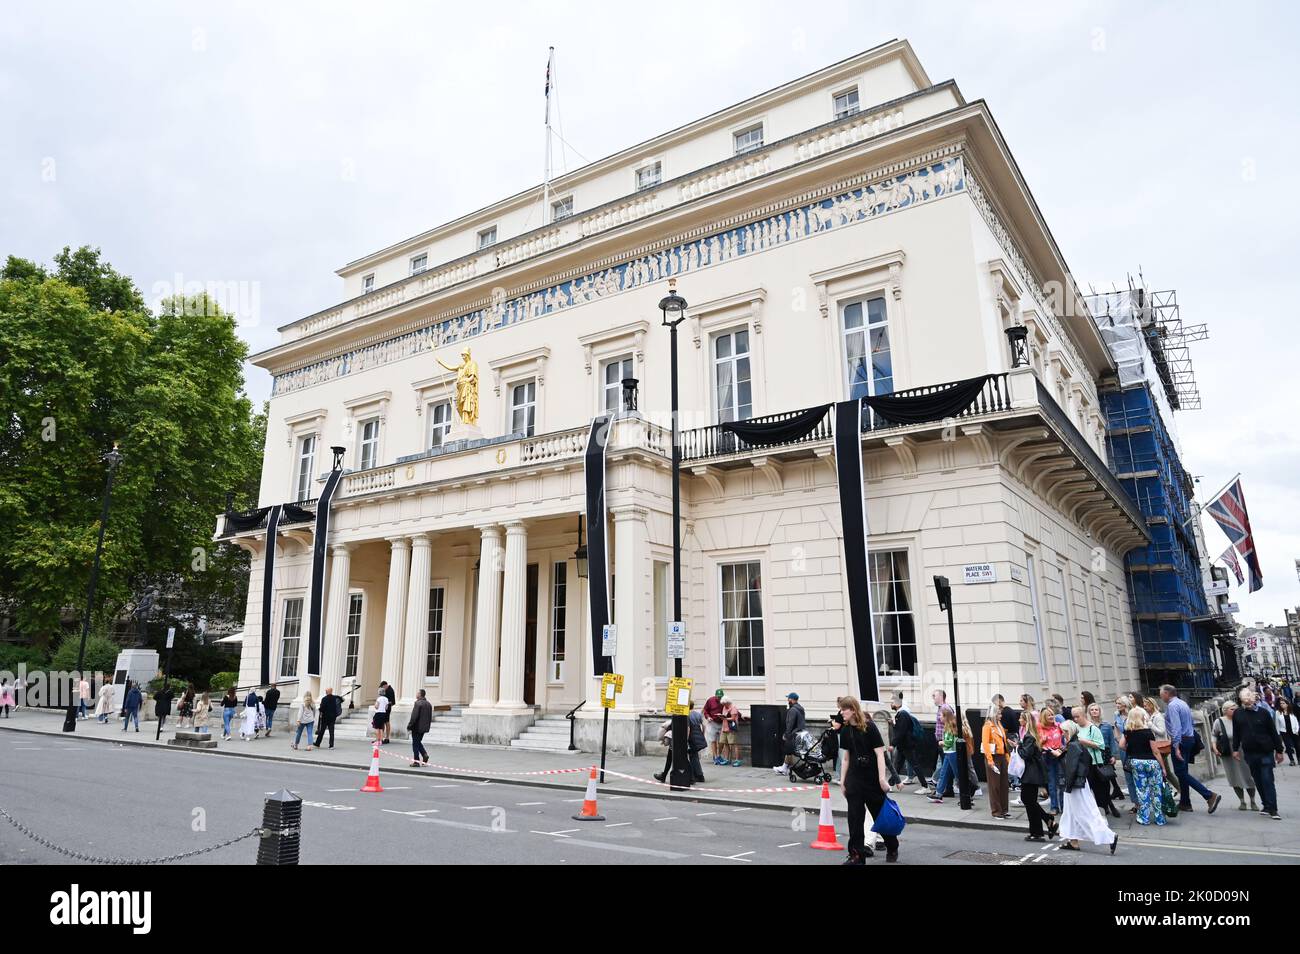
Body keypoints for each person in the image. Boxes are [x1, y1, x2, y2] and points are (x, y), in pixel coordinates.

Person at [835, 695, 898, 864]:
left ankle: (892, 845)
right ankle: (857, 855)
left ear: (853, 710)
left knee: (879, 816)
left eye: (843, 709)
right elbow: (846, 758)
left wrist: (882, 779)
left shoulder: (870, 727)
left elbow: (879, 753)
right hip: (854, 778)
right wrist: (842, 781)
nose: (841, 713)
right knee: (855, 818)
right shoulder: (846, 730)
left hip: (871, 779)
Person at [1057, 722, 1118, 854]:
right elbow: (1087, 761)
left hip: (1074, 785)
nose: (1063, 734)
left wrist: (1060, 757)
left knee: (1084, 813)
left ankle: (1110, 837)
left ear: (1069, 732)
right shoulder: (1078, 744)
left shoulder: (1073, 746)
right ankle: (1073, 842)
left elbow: (1071, 768)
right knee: (1071, 814)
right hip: (1079, 784)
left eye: (1064, 732)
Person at [1161, 684, 1221, 814]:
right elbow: (1190, 722)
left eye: (1162, 693)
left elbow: (1176, 728)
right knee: (1183, 772)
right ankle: (1185, 803)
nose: (1161, 695)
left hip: (1181, 740)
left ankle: (1209, 795)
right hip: (1189, 738)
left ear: (1167, 693)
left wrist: (1176, 746)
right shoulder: (1182, 703)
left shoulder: (1172, 706)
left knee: (1181, 772)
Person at [1232, 687, 1284, 820]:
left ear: (1253, 699)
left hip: (1265, 751)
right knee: (1258, 780)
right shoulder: (1238, 714)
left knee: (1267, 779)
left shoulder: (1264, 713)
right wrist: (1235, 749)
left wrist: (1279, 751)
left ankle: (1273, 809)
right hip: (1250, 752)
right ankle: (1266, 805)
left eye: (1248, 698)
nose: (1247, 702)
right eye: (1244, 700)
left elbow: (1273, 732)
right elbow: (1236, 732)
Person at [1121, 707, 1165, 826]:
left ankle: (1144, 818)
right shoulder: (1148, 732)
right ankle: (1159, 818)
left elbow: (1121, 745)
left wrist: (1130, 748)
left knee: (1142, 791)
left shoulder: (1128, 732)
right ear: (1142, 717)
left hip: (1136, 762)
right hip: (1151, 762)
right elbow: (1155, 751)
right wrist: (1163, 767)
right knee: (1156, 790)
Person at [1017, 711, 1057, 842]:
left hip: (1031, 773)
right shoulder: (1031, 735)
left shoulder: (1029, 736)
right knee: (1030, 801)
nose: (1019, 720)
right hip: (1032, 773)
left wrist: (1018, 746)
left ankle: (1041, 826)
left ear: (1026, 721)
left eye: (1021, 718)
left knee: (1028, 800)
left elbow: (1026, 754)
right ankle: (1039, 829)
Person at [1213, 701, 1258, 811]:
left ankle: (1253, 800)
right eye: (1232, 709)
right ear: (1225, 710)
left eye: (1235, 708)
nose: (1235, 711)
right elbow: (1214, 734)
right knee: (1234, 777)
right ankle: (1242, 801)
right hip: (1228, 752)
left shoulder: (1242, 719)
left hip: (1244, 751)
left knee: (1249, 777)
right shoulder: (1219, 721)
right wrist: (1214, 747)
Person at [1079, 704, 1119, 819]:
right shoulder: (1086, 726)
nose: (1094, 711)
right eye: (1092, 710)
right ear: (1089, 712)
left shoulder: (1106, 725)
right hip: (1091, 755)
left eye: (1096, 709)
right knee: (1095, 783)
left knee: (1106, 780)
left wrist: (1113, 755)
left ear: (1100, 711)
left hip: (1105, 753)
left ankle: (1109, 804)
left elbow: (1111, 741)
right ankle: (1103, 806)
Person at [888, 692, 928, 792]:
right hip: (903, 745)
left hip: (907, 745)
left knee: (914, 765)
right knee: (897, 765)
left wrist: (893, 744)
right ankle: (890, 785)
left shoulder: (903, 714)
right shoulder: (900, 714)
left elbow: (901, 731)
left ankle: (925, 787)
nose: (891, 704)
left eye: (892, 702)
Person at [981, 701, 1011, 818]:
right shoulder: (987, 726)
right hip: (993, 757)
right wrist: (990, 760)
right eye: (998, 714)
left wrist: (1007, 757)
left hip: (1002, 756)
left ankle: (1004, 810)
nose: (1001, 715)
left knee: (1004, 784)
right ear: (993, 714)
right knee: (994, 786)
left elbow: (1004, 742)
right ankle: (996, 811)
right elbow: (985, 744)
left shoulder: (999, 725)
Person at [928, 709, 960, 805]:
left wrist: (942, 742)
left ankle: (967, 794)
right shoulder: (947, 726)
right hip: (948, 753)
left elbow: (950, 742)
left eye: (941, 715)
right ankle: (938, 794)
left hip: (952, 753)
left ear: (946, 717)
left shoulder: (950, 727)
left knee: (958, 775)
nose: (939, 717)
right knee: (943, 773)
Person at [1039, 707, 1064, 817]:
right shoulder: (1040, 727)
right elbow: (1037, 744)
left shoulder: (1058, 726)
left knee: (1062, 783)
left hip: (1059, 754)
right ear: (1044, 717)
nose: (1051, 716)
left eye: (1052, 714)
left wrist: (1063, 747)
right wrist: (1042, 741)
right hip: (1047, 755)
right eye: (1048, 715)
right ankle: (1054, 807)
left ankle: (1063, 806)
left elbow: (1065, 738)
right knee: (1052, 783)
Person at [774, 692, 806, 776]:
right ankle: (786, 768)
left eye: (788, 698)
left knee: (788, 750)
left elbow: (790, 724)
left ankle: (784, 768)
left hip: (793, 734)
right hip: (800, 733)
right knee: (790, 751)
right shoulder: (800, 708)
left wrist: (786, 734)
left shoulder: (792, 710)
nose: (787, 700)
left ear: (791, 699)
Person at [1113, 695, 1137, 804]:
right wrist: (1119, 741)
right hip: (1123, 747)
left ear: (1125, 704)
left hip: (1134, 745)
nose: (1117, 705)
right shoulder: (1116, 715)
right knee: (1128, 773)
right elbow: (1117, 730)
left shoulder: (1133, 713)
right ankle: (1135, 802)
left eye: (1119, 703)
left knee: (1137, 773)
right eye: (1116, 703)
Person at [408, 689, 433, 766]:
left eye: (417, 693)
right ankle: (425, 755)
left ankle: (416, 761)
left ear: (420, 694)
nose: (416, 694)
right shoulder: (429, 704)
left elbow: (414, 717)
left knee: (415, 744)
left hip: (416, 727)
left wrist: (409, 725)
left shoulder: (418, 703)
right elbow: (430, 717)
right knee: (417, 742)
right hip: (424, 728)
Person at [702, 689, 726, 765]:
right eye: (718, 697)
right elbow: (705, 710)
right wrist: (708, 717)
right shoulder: (710, 700)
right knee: (713, 741)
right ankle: (715, 757)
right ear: (715, 695)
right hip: (712, 722)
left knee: (722, 741)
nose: (719, 698)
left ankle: (719, 755)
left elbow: (729, 708)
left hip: (721, 722)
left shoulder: (724, 700)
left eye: (720, 697)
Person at [686, 702, 708, 782]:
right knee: (694, 756)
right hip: (698, 735)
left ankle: (698, 775)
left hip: (692, 737)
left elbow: (688, 729)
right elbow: (704, 726)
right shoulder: (698, 714)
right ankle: (698, 775)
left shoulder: (687, 715)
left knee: (693, 757)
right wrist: (702, 734)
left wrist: (686, 739)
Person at [1274, 698, 1299, 766]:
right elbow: (1277, 724)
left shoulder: (1291, 711)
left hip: (1293, 731)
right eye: (1281, 703)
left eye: (1283, 703)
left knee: (1297, 746)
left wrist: (1297, 730)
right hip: (1284, 732)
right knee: (1288, 747)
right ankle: (1292, 760)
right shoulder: (1278, 712)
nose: (1282, 705)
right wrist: (1278, 734)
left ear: (1287, 704)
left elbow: (1296, 721)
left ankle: (1299, 759)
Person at [718, 695, 742, 766]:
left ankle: (737, 760)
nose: (724, 705)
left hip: (731, 729)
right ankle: (726, 759)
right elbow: (724, 715)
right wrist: (721, 716)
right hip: (724, 728)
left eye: (724, 704)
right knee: (725, 744)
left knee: (734, 744)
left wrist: (725, 718)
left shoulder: (733, 708)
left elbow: (733, 718)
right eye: (723, 704)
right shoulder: (724, 707)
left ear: (728, 702)